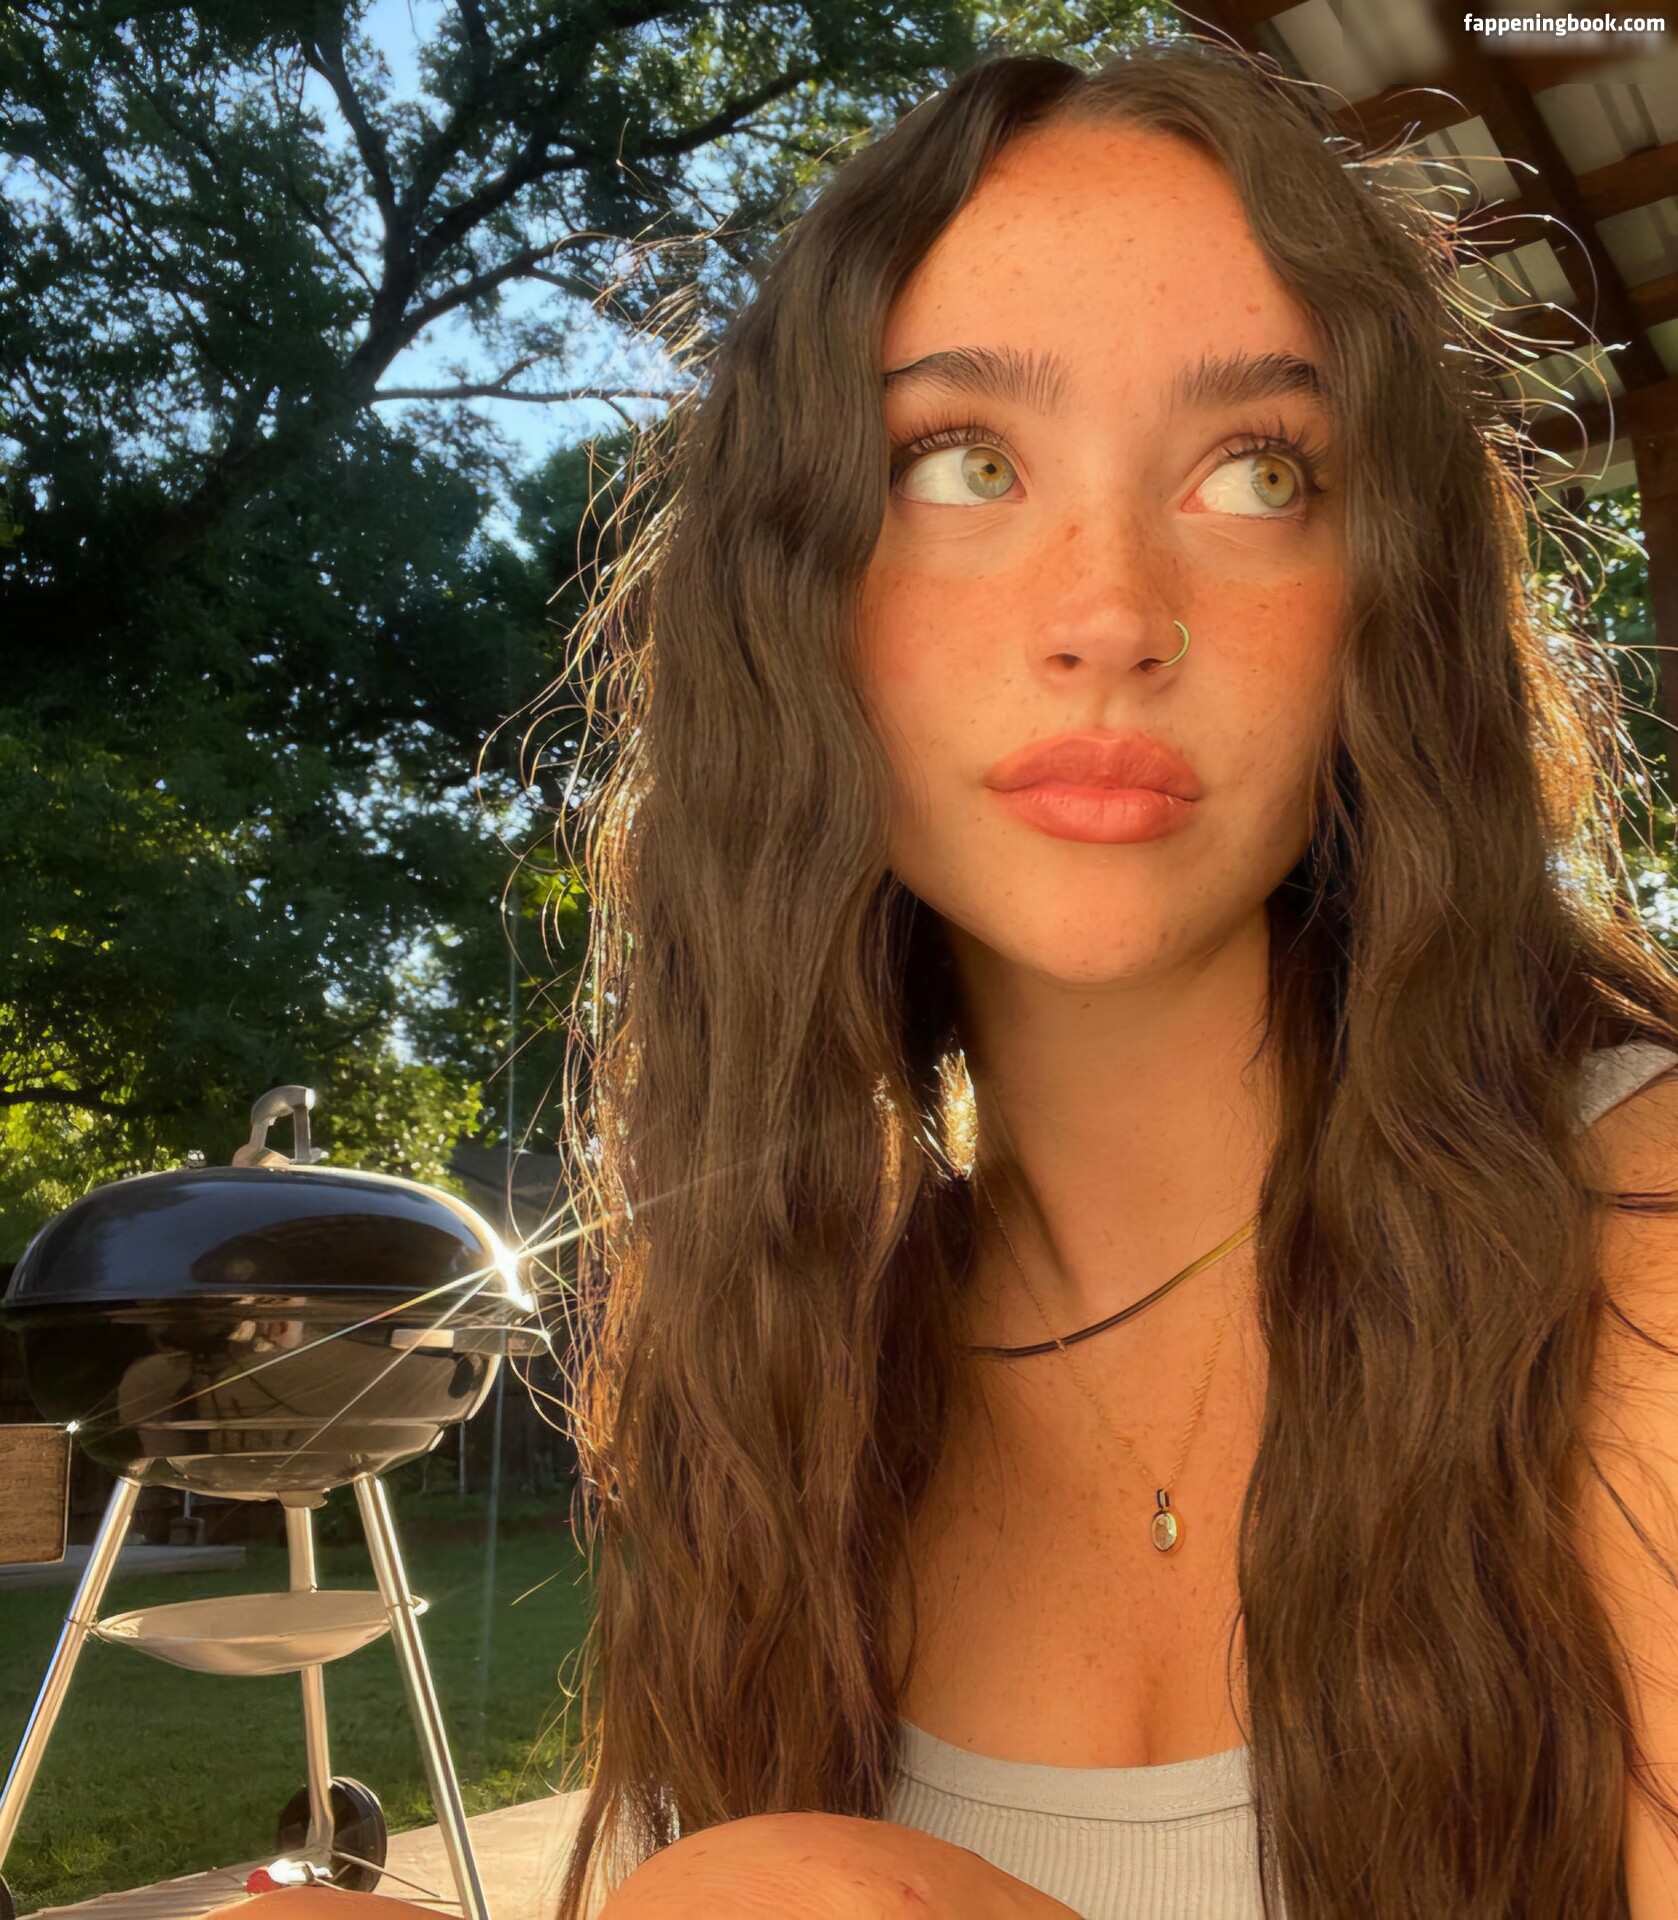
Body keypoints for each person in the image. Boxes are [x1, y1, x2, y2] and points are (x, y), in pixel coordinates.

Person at [234, 30, 1678, 1920]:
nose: (1109, 615)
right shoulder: (806, 1365)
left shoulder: (1636, 1245)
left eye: (1258, 471)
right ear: (792, 599)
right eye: (962, 462)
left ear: (1382, 607)